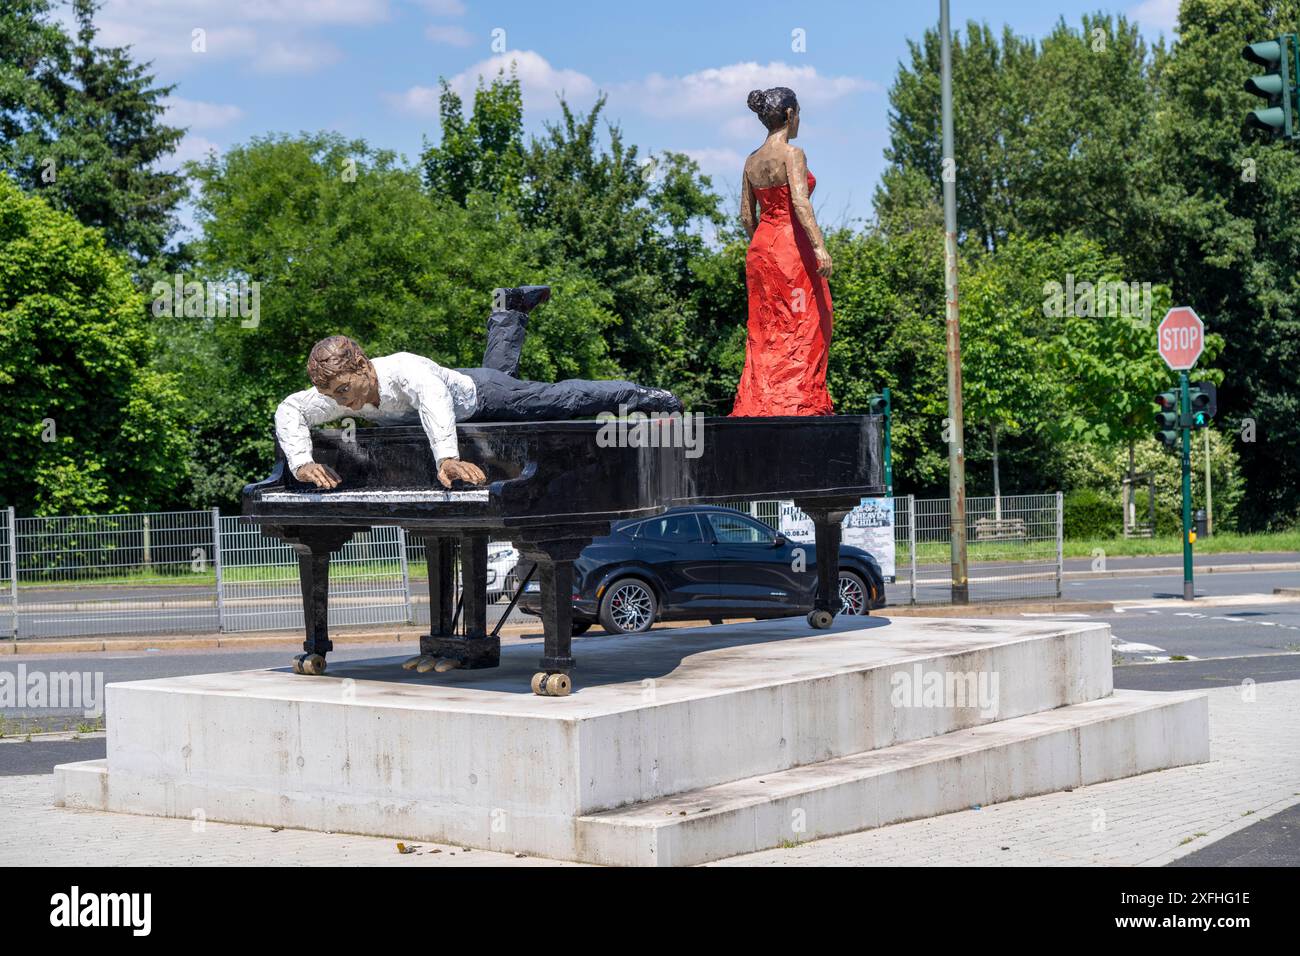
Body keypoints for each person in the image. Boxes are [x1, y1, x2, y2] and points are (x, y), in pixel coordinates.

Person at [275, 286, 682, 489]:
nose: (344, 403)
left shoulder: (406, 370)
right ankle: (509, 308)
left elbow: (434, 403)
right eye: (334, 398)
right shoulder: (339, 389)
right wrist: (300, 462)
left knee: (561, 399)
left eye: (346, 391)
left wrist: (447, 458)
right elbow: (290, 409)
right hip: (471, 387)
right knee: (502, 367)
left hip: (483, 396)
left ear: (362, 366)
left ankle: (642, 395)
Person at [731, 86, 835, 417]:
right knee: (809, 319)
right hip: (791, 248)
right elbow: (801, 204)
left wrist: (762, 243)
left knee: (765, 327)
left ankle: (762, 402)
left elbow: (747, 216)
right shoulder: (793, 155)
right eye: (799, 113)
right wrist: (819, 247)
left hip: (761, 249)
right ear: (789, 115)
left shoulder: (751, 161)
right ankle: (796, 403)